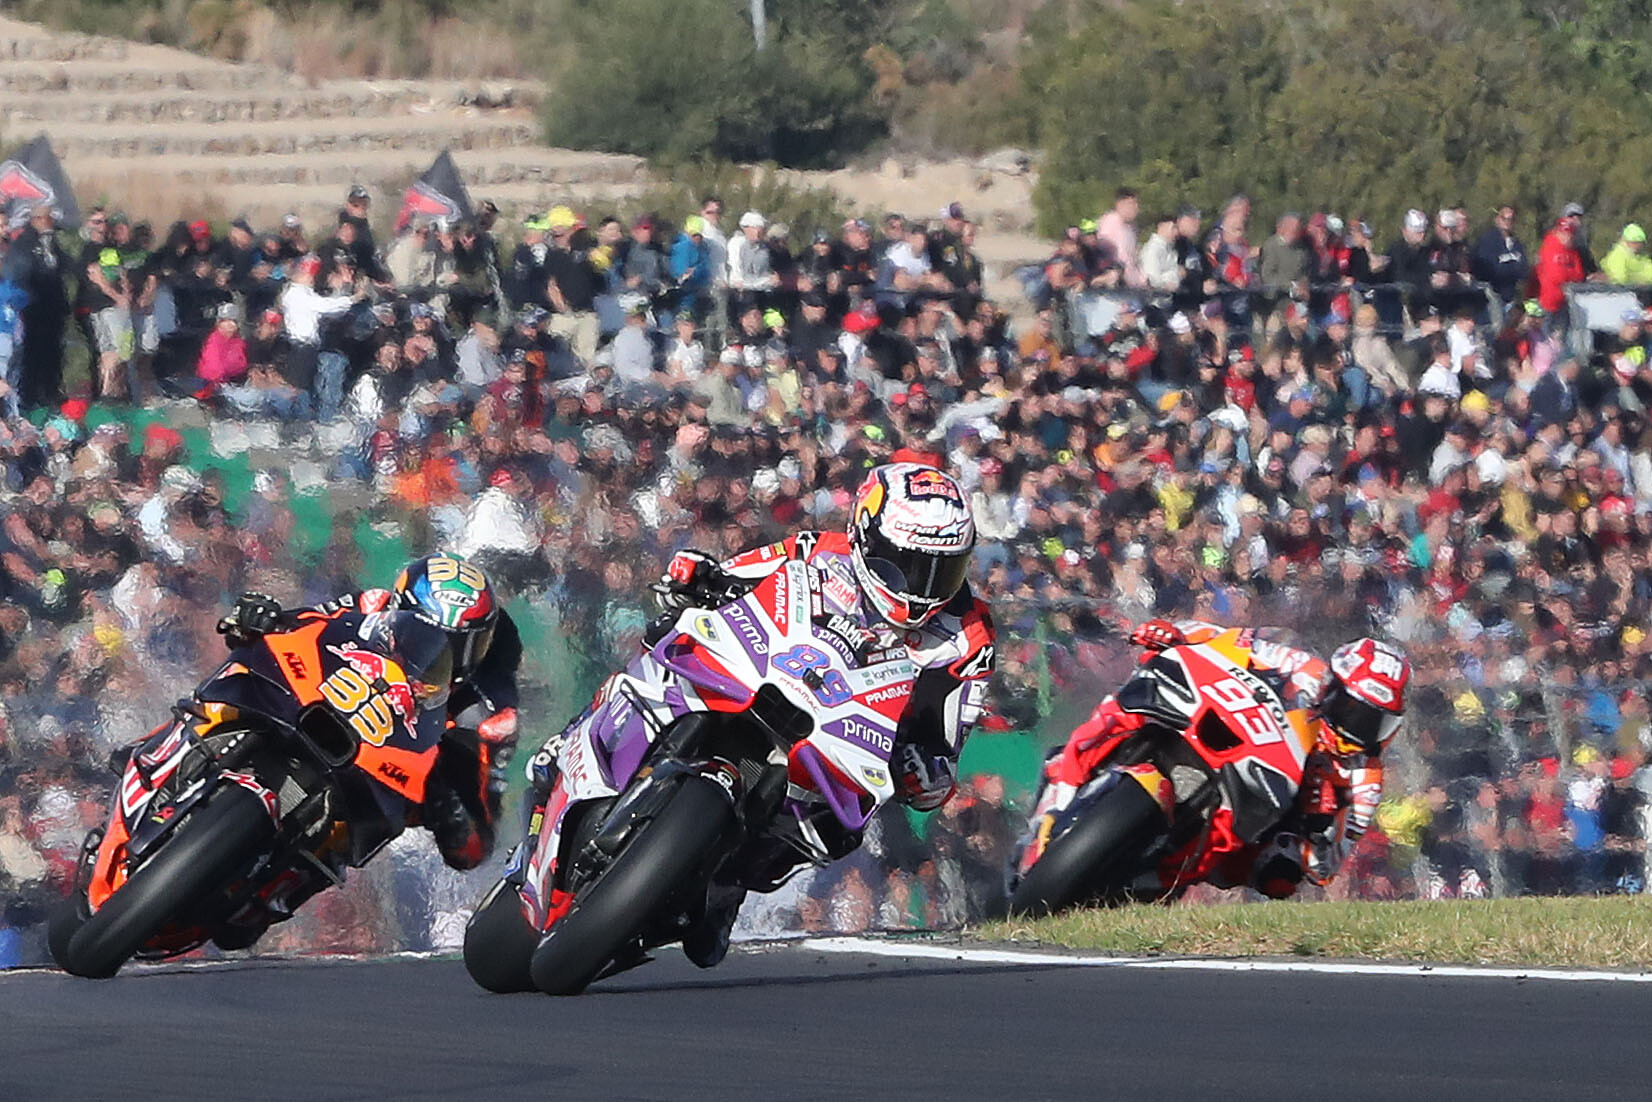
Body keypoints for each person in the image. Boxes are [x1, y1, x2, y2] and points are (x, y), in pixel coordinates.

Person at [521, 462, 995, 962]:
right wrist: (697, 578)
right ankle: (574, 742)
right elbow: (735, 573)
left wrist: (925, 769)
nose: (921, 587)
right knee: (659, 648)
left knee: (839, 830)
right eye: (905, 563)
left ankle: (728, 885)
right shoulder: (818, 550)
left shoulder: (970, 635)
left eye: (943, 568)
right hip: (753, 675)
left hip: (836, 743)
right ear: (863, 535)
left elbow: (946, 738)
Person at [1032, 619, 1409, 899]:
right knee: (1130, 697)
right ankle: (1065, 778)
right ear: (1332, 687)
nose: (1356, 728)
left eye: (1373, 722)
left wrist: (1319, 824)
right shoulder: (1303, 668)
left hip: (1266, 806)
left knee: (1279, 875)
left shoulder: (1365, 781)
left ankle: (1158, 879)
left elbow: (1324, 870)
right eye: (1351, 709)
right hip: (1234, 735)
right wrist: (1176, 635)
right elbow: (1229, 640)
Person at [215, 552, 521, 871]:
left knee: (335, 845)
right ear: (396, 611)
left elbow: (477, 844)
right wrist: (259, 618)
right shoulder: (370, 605)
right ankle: (174, 750)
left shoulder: (485, 717)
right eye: (419, 635)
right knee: (236, 689)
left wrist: (449, 810)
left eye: (462, 648)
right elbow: (299, 626)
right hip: (307, 711)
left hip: (365, 781)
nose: (435, 657)